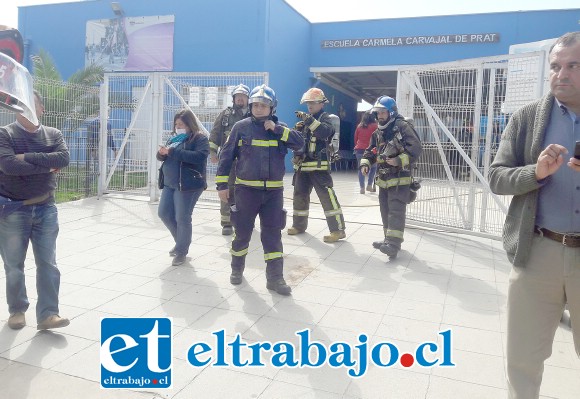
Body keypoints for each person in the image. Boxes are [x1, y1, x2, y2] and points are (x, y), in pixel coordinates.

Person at [488, 31, 580, 399]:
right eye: (556, 66)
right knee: (522, 360)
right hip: (537, 250)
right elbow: (496, 176)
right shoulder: (528, 119)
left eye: (573, 65)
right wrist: (535, 172)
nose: (562, 74)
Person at [215, 84, 304, 295]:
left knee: (273, 237)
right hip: (246, 192)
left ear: (272, 107)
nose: (258, 109)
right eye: (255, 105)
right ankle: (236, 270)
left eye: (263, 105)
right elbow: (226, 157)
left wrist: (278, 130)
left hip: (273, 195)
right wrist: (221, 185)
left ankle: (275, 279)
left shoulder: (280, 128)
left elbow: (300, 144)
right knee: (242, 234)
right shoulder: (241, 127)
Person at [0, 90, 71, 330]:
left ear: (41, 109)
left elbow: (62, 159)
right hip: (14, 209)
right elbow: (8, 165)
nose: (28, 109)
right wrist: (46, 166)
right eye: (23, 105)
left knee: (48, 263)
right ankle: (17, 310)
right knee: (13, 265)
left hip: (46, 207)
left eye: (33, 104)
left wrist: (26, 157)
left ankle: (49, 314)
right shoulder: (5, 134)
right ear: (16, 110)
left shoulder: (54, 134)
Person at [360, 96, 422, 259]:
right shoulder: (378, 132)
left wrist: (398, 160)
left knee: (396, 211)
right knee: (385, 210)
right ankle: (388, 240)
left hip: (400, 179)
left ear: (391, 112)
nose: (379, 116)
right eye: (378, 112)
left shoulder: (402, 127)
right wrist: (365, 163)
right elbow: (370, 150)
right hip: (383, 180)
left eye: (383, 112)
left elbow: (415, 148)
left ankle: (393, 244)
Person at [287, 88, 346, 243]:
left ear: (321, 103)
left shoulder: (326, 118)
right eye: (308, 103)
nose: (309, 106)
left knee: (327, 198)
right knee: (299, 197)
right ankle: (299, 225)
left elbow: (325, 132)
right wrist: (297, 131)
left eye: (312, 102)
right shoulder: (305, 122)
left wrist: (309, 121)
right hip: (302, 167)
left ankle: (338, 230)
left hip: (319, 167)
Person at [157, 109, 209, 266]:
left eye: (181, 124)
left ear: (189, 123)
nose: (177, 126)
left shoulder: (199, 138)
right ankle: (181, 242)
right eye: (176, 124)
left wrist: (172, 152)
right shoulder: (174, 139)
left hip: (188, 184)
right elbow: (163, 156)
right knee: (164, 214)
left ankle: (181, 251)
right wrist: (161, 154)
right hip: (170, 183)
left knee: (182, 218)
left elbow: (199, 157)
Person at [209, 84, 250, 236]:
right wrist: (212, 152)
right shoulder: (225, 115)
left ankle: (244, 220)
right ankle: (227, 222)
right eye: (237, 96)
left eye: (243, 96)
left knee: (246, 191)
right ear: (233, 99)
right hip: (229, 160)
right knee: (227, 189)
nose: (240, 99)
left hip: (248, 161)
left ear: (247, 98)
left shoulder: (253, 114)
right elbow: (215, 135)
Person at [354, 111, 378, 193]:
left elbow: (355, 139)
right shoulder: (375, 126)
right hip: (371, 151)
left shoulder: (359, 126)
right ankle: (369, 185)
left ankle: (362, 188)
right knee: (374, 167)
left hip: (359, 150)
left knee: (361, 168)